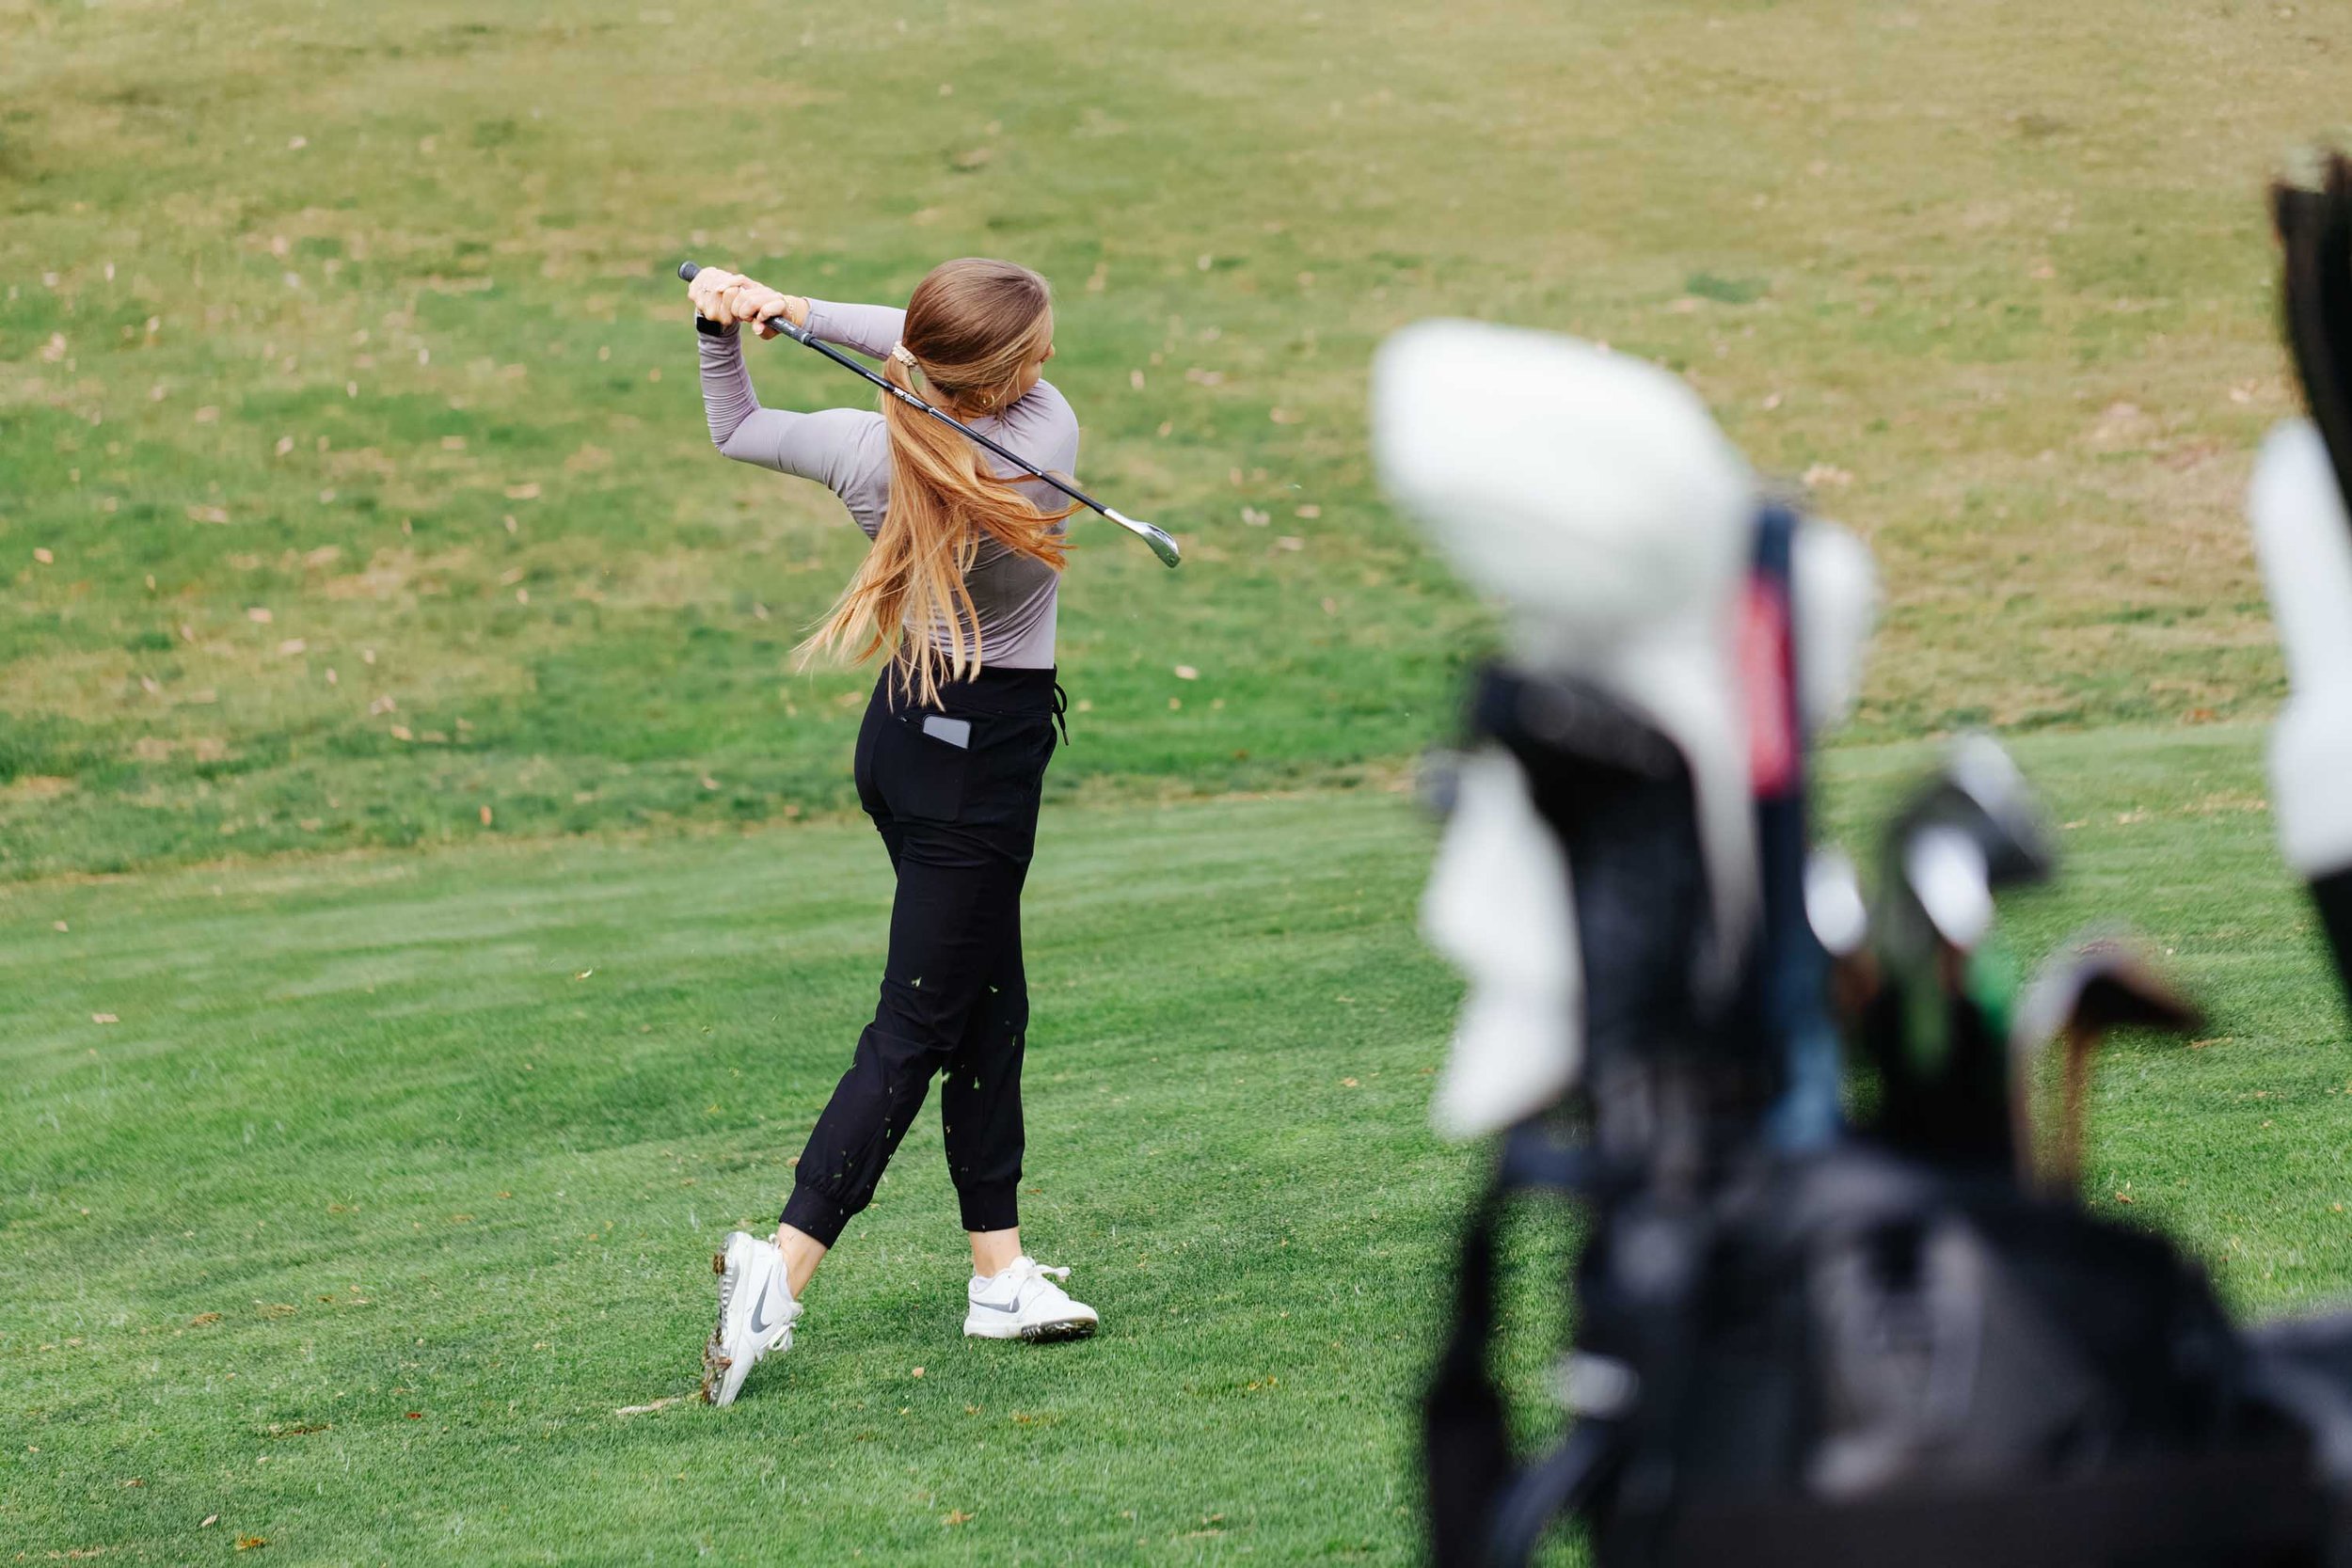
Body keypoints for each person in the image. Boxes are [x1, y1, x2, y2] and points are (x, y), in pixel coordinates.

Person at [685, 258, 1100, 1407]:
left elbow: (742, 425)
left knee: (987, 1003)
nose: (1051, 363)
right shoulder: (1042, 440)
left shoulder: (863, 448)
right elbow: (925, 350)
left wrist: (733, 322)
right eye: (1034, 351)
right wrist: (802, 310)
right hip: (983, 768)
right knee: (917, 1025)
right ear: (1010, 381)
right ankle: (783, 1266)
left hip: (906, 742)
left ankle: (999, 1275)